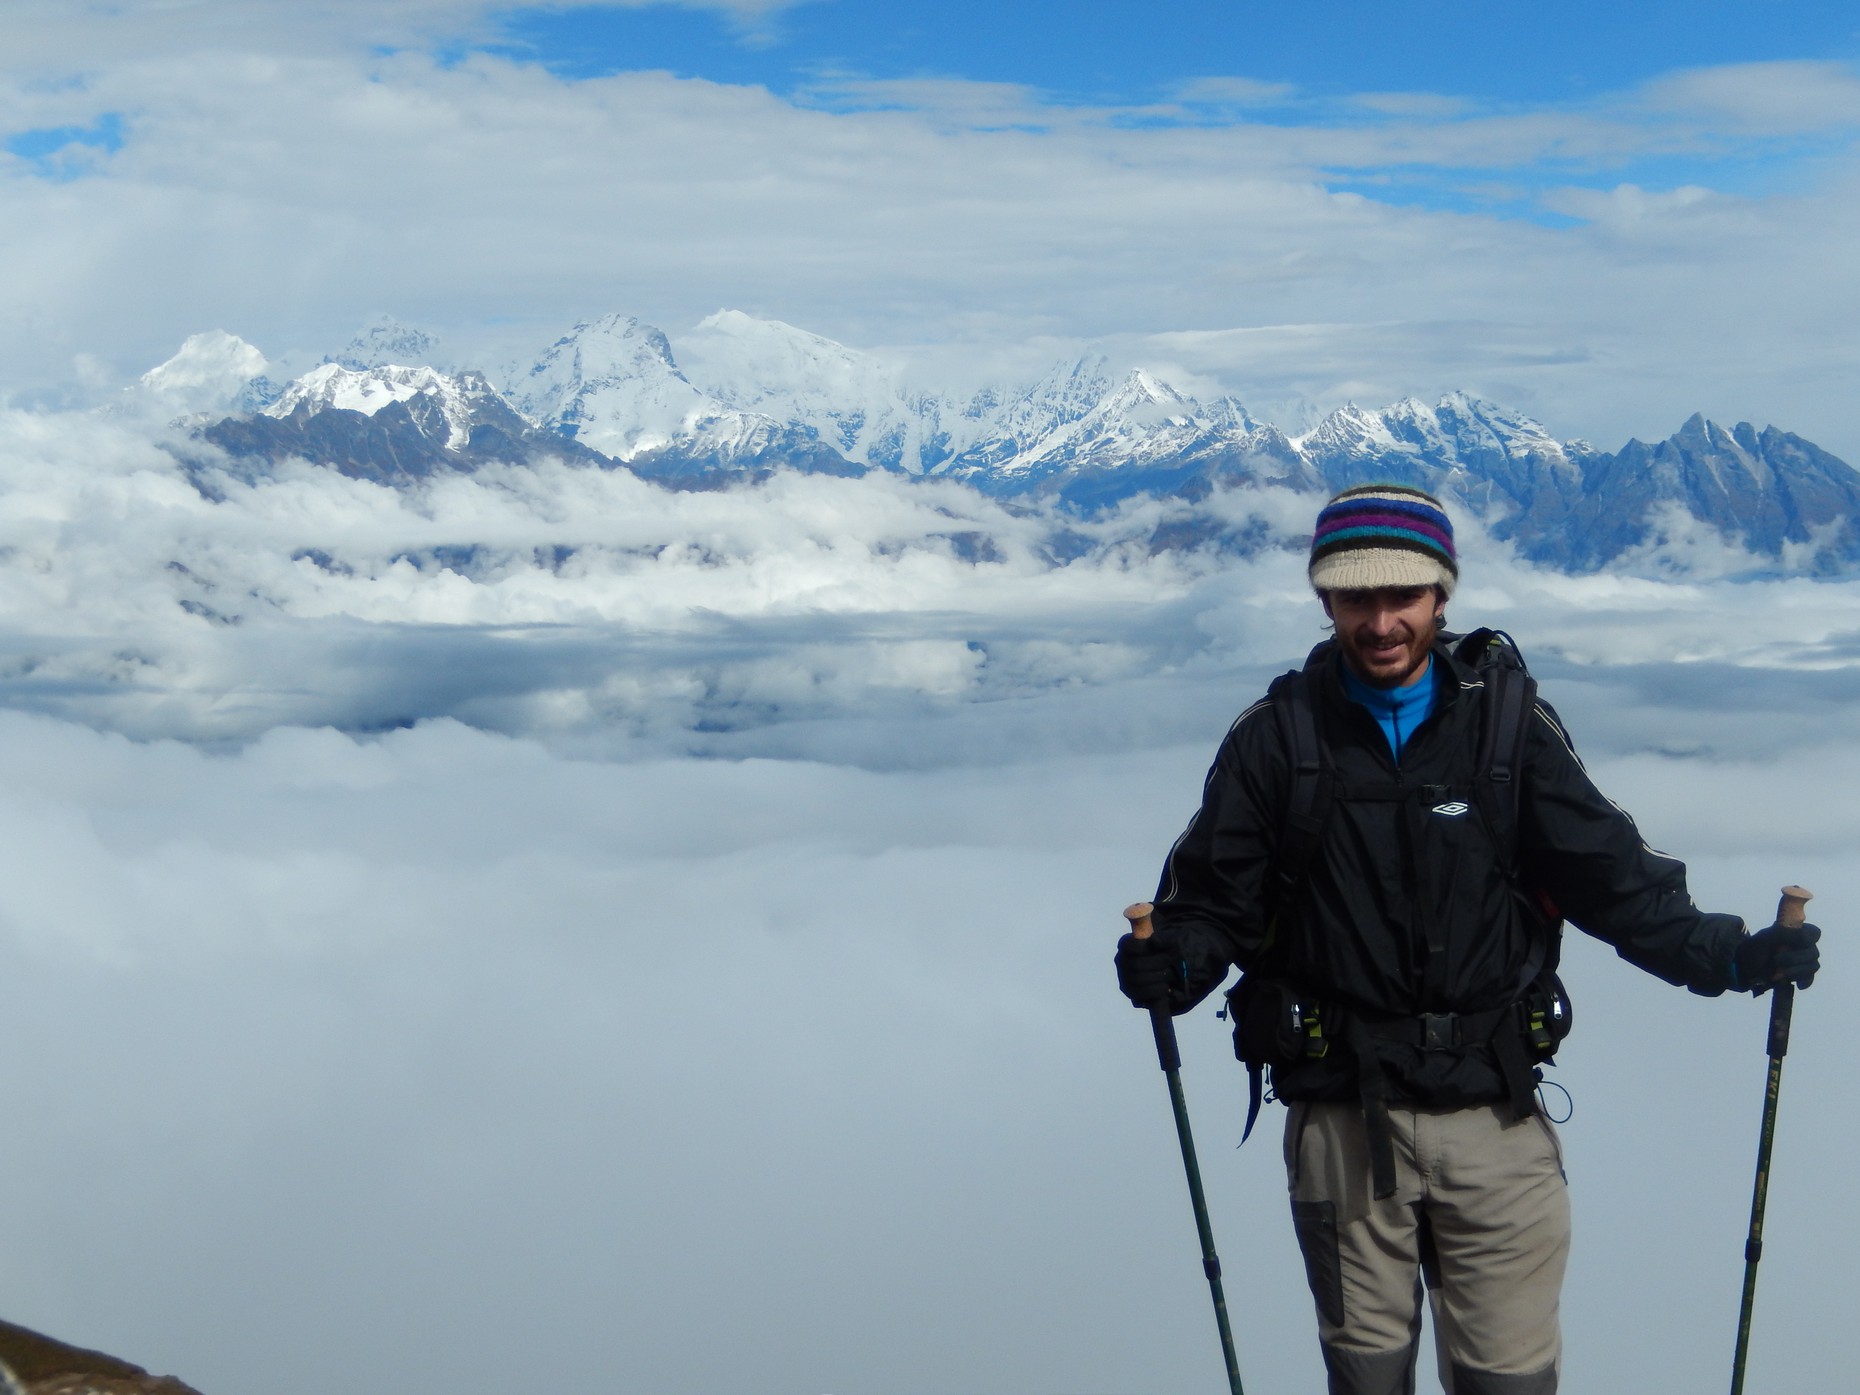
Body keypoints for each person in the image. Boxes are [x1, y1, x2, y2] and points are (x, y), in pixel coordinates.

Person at [1114, 483, 1822, 1395]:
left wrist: (1731, 955)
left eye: (1402, 595)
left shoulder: (1507, 727)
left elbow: (1614, 878)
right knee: (1367, 1379)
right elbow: (1214, 901)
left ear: (1441, 595)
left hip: (1494, 1107)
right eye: (1356, 597)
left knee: (1508, 1379)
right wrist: (1174, 962)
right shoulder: (1276, 741)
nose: (1381, 622)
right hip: (1344, 1112)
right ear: (1324, 598)